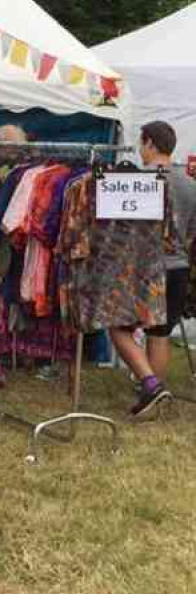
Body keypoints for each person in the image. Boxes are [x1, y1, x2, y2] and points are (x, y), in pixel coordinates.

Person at [109, 120, 196, 419]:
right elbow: (192, 233)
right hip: (179, 267)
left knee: (119, 326)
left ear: (150, 144)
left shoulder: (135, 180)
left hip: (144, 268)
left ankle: (151, 386)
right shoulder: (190, 184)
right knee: (159, 333)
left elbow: (120, 229)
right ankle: (153, 395)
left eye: (141, 142)